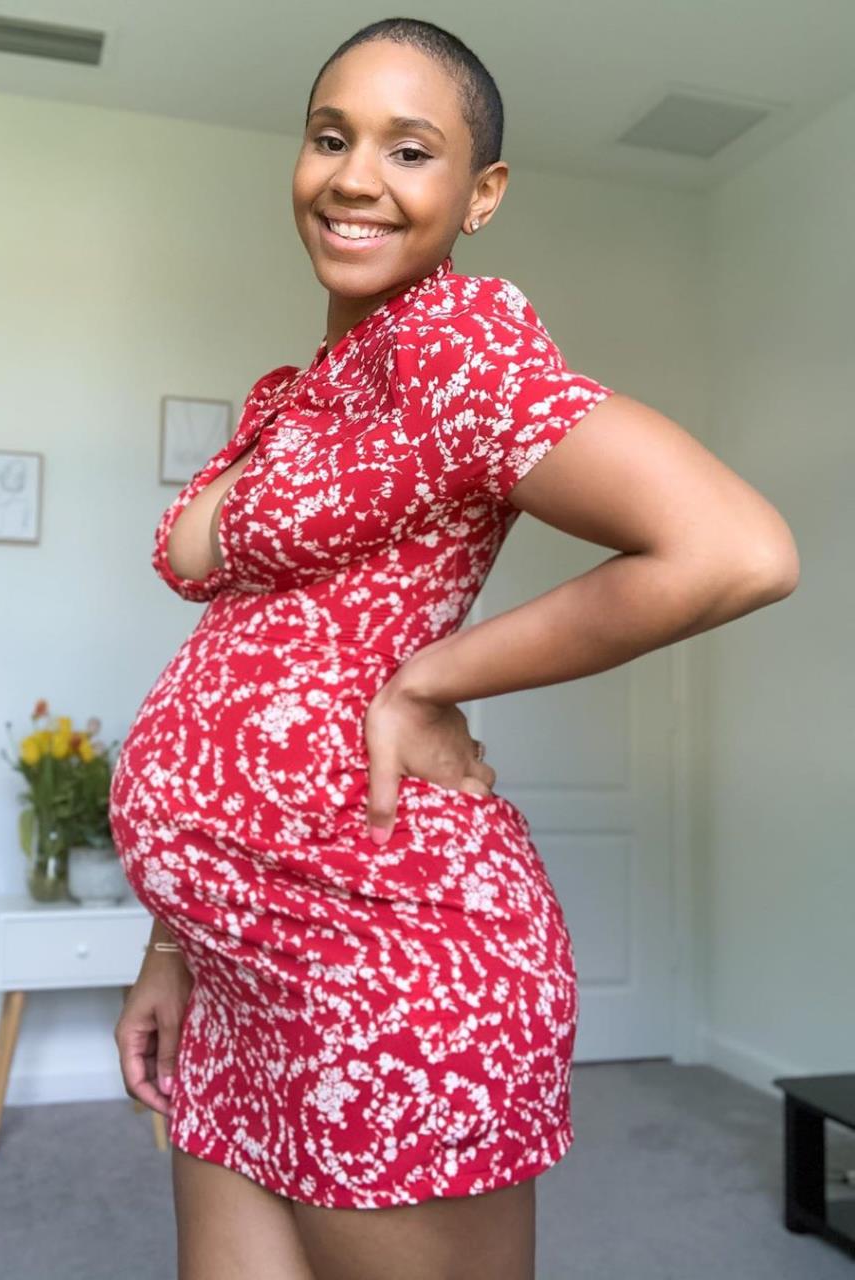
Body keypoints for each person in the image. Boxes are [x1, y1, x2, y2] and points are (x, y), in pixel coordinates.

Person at [110, 18, 799, 1280]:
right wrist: (174, 943)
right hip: (241, 973)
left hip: (389, 959)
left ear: (480, 195)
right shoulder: (302, 395)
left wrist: (432, 678)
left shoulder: (456, 347)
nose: (355, 176)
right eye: (331, 137)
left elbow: (735, 548)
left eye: (410, 149)